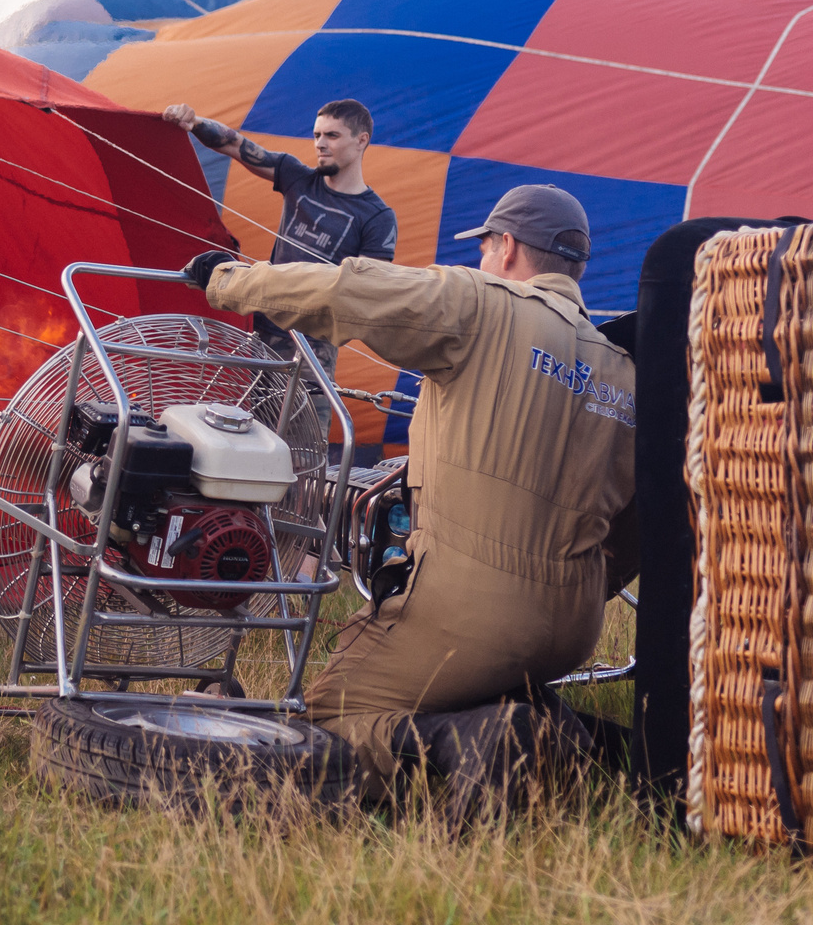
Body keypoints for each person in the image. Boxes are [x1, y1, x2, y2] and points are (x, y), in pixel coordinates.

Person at [180, 183, 635, 796]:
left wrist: (228, 280)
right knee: (473, 680)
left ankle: (459, 743)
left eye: (486, 248)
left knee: (322, 726)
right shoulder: (620, 368)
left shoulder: (483, 302)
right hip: (573, 625)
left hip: (470, 610)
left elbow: (350, 290)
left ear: (504, 247)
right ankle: (591, 747)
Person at [161, 98, 397, 381]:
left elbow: (368, 293)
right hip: (259, 333)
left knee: (301, 425)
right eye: (317, 135)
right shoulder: (298, 177)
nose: (320, 144)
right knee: (240, 421)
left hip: (312, 350)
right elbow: (235, 144)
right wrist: (194, 122)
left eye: (332, 135)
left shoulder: (377, 217)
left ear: (361, 141)